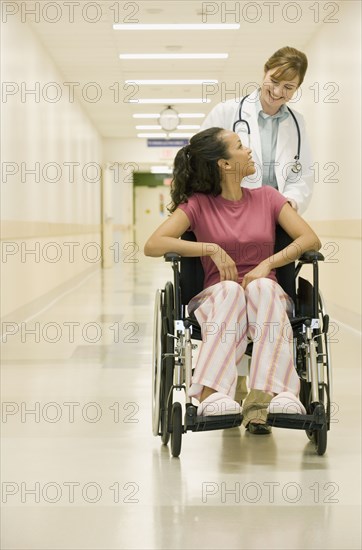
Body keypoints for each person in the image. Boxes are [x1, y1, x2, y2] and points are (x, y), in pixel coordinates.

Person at [144, 127, 321, 434]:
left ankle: (276, 394)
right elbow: (153, 244)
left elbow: (310, 239)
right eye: (240, 146)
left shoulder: (267, 198)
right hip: (218, 299)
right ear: (224, 164)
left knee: (262, 286)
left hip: (267, 297)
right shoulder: (199, 204)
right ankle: (213, 396)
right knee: (230, 290)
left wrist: (268, 263)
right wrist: (209, 248)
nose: (249, 150)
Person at [200, 46, 313, 214]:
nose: (277, 92)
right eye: (274, 82)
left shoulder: (297, 123)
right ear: (265, 71)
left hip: (276, 214)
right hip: (227, 211)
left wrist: (290, 203)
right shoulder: (226, 111)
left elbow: (301, 174)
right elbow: (199, 161)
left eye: (288, 87)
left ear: (297, 87)